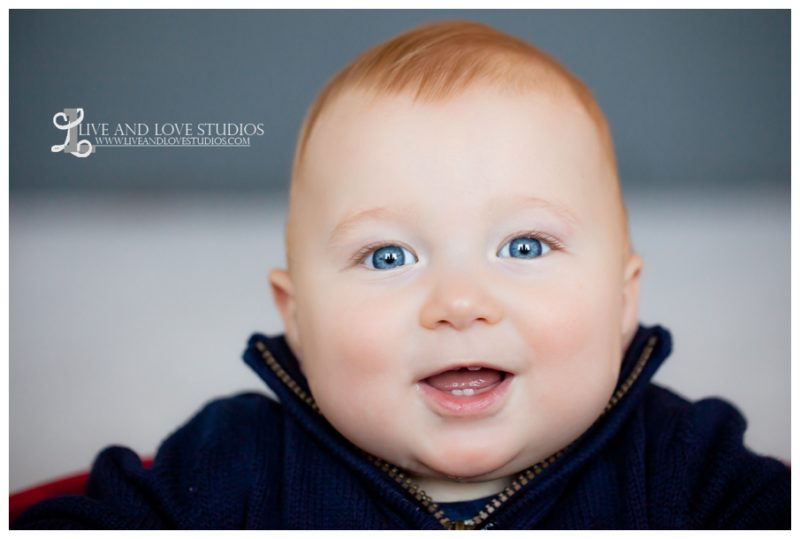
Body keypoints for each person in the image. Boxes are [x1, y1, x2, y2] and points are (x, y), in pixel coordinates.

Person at [12, 20, 790, 530]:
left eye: (524, 246)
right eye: (388, 257)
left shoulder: (686, 465)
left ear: (624, 300)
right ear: (298, 317)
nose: (458, 302)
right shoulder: (232, 465)